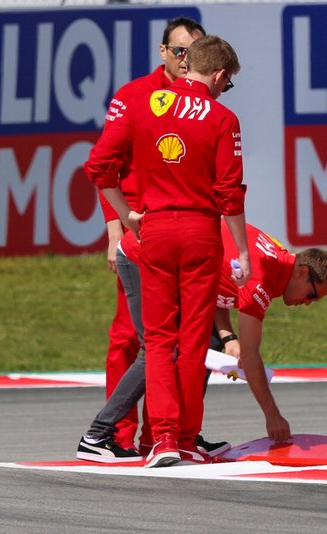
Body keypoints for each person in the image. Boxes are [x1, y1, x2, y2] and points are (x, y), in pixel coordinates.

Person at [85, 35, 251, 468]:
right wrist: (245, 252)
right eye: (227, 82)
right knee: (193, 339)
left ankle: (161, 440)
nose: (224, 88)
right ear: (218, 74)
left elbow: (100, 167)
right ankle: (186, 436)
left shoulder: (143, 105)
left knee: (157, 341)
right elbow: (230, 194)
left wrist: (126, 215)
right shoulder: (222, 117)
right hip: (200, 232)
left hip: (152, 231)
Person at [76, 221, 327, 464]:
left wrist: (227, 337)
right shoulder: (260, 279)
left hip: (168, 260)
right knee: (157, 350)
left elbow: (216, 281)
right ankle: (97, 436)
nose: (308, 303)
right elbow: (251, 355)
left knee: (208, 342)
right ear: (302, 272)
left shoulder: (280, 256)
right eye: (312, 295)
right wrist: (272, 415)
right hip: (141, 258)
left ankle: (181, 435)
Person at [93, 17, 206, 454]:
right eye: (179, 52)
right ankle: (114, 434)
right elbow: (106, 167)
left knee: (188, 337)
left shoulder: (203, 99)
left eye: (194, 53)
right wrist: (114, 229)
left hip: (185, 231)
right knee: (131, 335)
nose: (185, 61)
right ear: (163, 52)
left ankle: (168, 434)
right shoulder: (133, 96)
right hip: (139, 232)